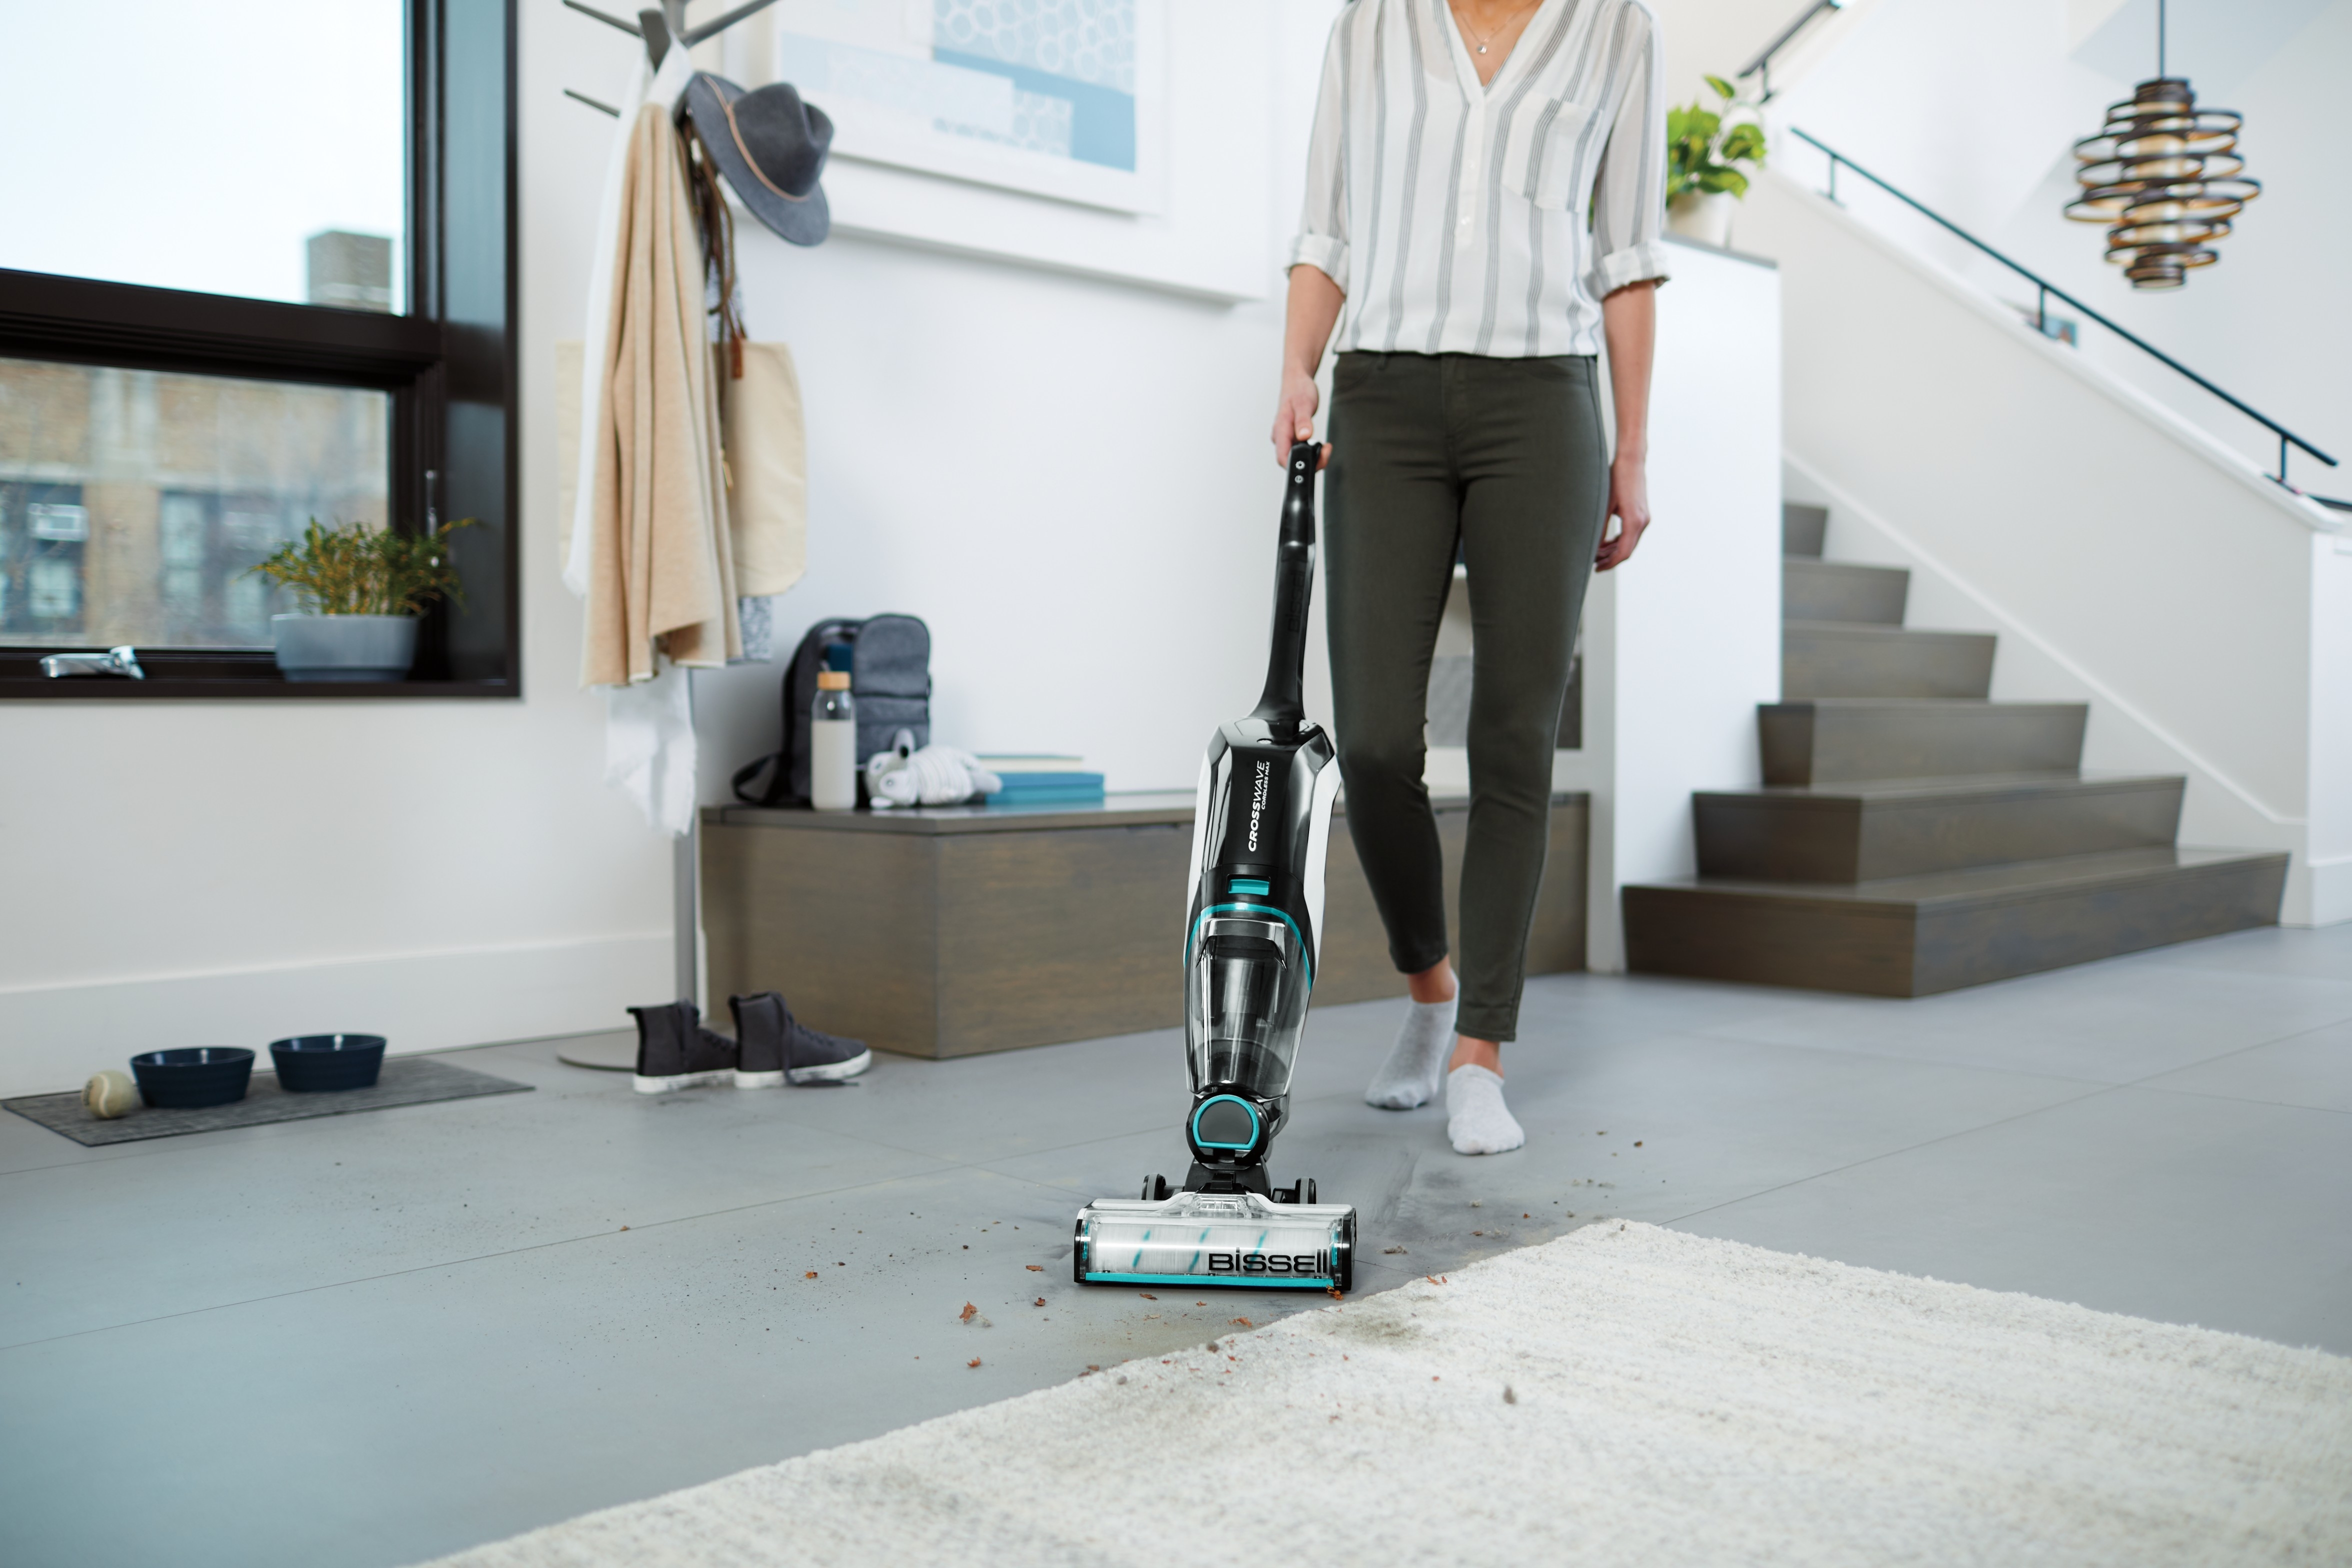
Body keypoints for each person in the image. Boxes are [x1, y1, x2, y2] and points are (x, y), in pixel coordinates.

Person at [1274, 0, 1666, 1156]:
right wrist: (1297, 367)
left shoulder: (1615, 29)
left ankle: (1482, 1050)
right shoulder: (1373, 25)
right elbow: (1327, 227)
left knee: (1512, 732)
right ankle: (1431, 985)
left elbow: (1627, 257)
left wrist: (1630, 447)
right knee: (1381, 740)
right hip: (1384, 398)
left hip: (1543, 402)